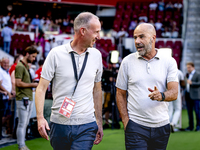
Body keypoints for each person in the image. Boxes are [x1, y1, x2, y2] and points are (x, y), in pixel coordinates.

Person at [35, 12, 103, 150]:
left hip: (87, 124)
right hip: (59, 123)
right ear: (83, 31)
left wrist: (99, 121)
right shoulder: (55, 54)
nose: (99, 37)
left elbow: (97, 90)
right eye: (96, 32)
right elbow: (41, 88)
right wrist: (40, 118)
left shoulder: (97, 55)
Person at [116, 23, 178, 150]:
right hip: (136, 126)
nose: (137, 41)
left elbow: (174, 92)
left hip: (162, 126)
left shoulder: (169, 61)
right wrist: (126, 121)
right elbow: (120, 93)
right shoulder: (127, 62)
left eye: (141, 37)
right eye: (135, 37)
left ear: (153, 38)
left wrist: (161, 95)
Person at [15, 46, 38, 150]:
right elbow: (18, 83)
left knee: (25, 123)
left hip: (27, 97)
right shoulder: (20, 66)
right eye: (33, 56)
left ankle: (22, 144)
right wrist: (33, 85)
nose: (34, 59)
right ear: (27, 54)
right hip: (23, 98)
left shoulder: (25, 66)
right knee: (22, 123)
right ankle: (21, 145)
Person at [184, 62, 200, 131]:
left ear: (193, 67)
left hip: (196, 96)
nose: (188, 69)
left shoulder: (198, 74)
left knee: (197, 112)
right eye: (187, 67)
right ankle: (191, 126)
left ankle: (198, 126)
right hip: (188, 95)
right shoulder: (187, 75)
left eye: (189, 67)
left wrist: (192, 83)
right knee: (189, 112)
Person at [0, 58, 13, 137]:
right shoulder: (0, 71)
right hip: (2, 97)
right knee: (4, 115)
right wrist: (7, 92)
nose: (6, 64)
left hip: (6, 97)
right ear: (1, 63)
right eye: (4, 63)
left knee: (8, 115)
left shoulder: (6, 71)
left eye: (7, 63)